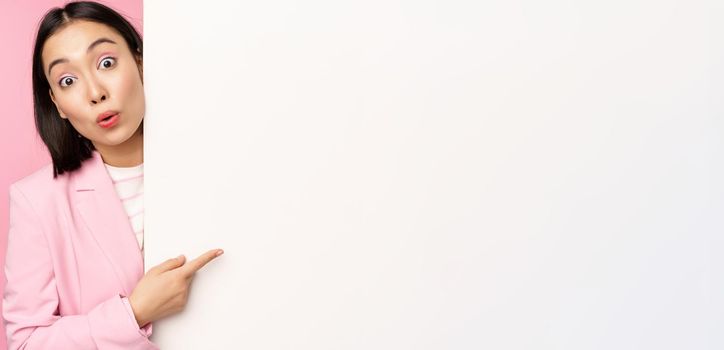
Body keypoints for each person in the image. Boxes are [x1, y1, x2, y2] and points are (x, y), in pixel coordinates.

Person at [2, 2, 223, 349]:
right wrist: (133, 313)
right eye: (68, 80)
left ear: (139, 61)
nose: (95, 92)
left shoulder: (218, 162)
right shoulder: (37, 201)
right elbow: (25, 343)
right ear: (57, 103)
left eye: (106, 62)